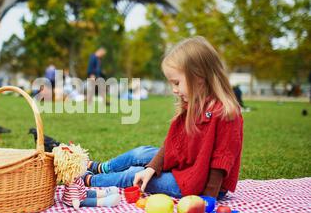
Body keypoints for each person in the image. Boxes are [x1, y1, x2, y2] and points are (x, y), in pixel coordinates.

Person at [83, 36, 243, 200]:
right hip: (187, 166)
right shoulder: (192, 105)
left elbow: (222, 160)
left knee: (134, 174)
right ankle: (102, 168)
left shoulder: (226, 112)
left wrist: (208, 197)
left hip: (201, 184)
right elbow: (173, 143)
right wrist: (152, 168)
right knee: (140, 154)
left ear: (199, 77)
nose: (174, 90)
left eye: (176, 83)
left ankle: (90, 180)